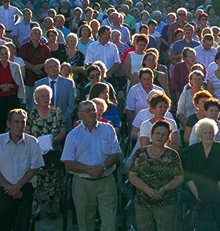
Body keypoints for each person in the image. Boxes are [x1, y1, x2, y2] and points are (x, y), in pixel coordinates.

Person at [61, 100, 121, 231]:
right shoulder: (73, 136)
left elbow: (116, 153)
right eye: (88, 111)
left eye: (94, 110)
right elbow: (68, 163)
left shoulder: (108, 129)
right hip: (83, 184)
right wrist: (88, 170)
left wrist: (102, 167)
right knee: (85, 222)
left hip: (106, 181)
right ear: (80, 114)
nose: (92, 113)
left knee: (110, 221)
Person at [128, 120, 184, 231]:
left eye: (164, 135)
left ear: (168, 138)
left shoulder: (172, 155)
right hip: (143, 202)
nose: (160, 137)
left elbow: (179, 178)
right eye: (157, 133)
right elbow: (132, 175)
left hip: (166, 203)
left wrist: (164, 188)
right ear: (151, 134)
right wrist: (147, 190)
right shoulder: (140, 153)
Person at [182, 117, 220, 230]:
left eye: (211, 133)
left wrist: (212, 193)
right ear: (200, 135)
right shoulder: (192, 150)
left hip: (218, 192)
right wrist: (198, 195)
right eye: (205, 133)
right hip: (196, 192)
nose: (208, 135)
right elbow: (188, 175)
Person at [26, 85, 66, 220]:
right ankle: (35, 206)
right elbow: (26, 132)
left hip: (53, 153)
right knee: (35, 180)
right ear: (36, 98)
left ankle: (49, 207)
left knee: (53, 180)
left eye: (48, 95)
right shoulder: (31, 114)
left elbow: (62, 130)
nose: (45, 98)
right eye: (42, 96)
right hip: (36, 153)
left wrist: (53, 140)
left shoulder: (57, 111)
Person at [0, 108, 44, 230]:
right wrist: (9, 187)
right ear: (8, 124)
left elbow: (34, 167)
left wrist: (17, 186)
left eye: (22, 122)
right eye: (16, 122)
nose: (20, 125)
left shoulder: (32, 142)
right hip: (3, 189)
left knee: (22, 226)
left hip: (24, 189)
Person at [34, 57, 76, 129]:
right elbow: (35, 103)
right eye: (50, 66)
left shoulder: (68, 83)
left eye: (55, 66)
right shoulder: (38, 84)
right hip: (43, 123)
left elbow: (71, 104)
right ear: (46, 69)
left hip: (63, 123)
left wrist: (61, 118)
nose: (53, 68)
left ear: (59, 68)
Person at [0, 45, 24, 133]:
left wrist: (11, 86)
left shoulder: (15, 66)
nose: (4, 56)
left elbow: (19, 83)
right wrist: (1, 86)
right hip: (1, 98)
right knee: (1, 120)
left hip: (12, 97)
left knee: (13, 120)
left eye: (6, 53)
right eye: (2, 54)